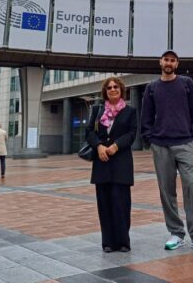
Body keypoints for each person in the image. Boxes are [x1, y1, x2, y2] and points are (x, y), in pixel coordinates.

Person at [140, 50, 193, 252]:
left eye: (172, 60)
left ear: (177, 64)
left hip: (186, 144)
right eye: (166, 59)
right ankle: (176, 233)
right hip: (161, 145)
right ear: (160, 62)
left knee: (191, 186)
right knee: (167, 191)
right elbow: (146, 116)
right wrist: (149, 139)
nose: (169, 63)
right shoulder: (152, 88)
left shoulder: (186, 83)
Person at [85, 76, 137, 253]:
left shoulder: (130, 111)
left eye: (116, 87)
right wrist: (99, 146)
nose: (113, 89)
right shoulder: (97, 110)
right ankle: (107, 242)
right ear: (105, 92)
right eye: (109, 88)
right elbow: (89, 132)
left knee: (120, 203)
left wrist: (117, 145)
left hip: (121, 162)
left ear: (121, 90)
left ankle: (123, 241)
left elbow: (132, 134)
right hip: (102, 163)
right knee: (104, 204)